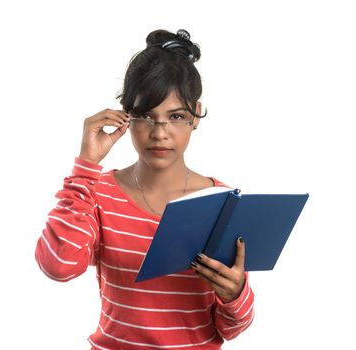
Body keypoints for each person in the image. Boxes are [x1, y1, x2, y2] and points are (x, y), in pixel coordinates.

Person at [35, 29, 255, 349]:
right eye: (145, 116)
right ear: (127, 117)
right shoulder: (98, 193)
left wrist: (234, 293)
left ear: (195, 115)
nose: (159, 133)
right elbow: (58, 265)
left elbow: (232, 327)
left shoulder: (221, 202)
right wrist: (85, 167)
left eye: (176, 116)